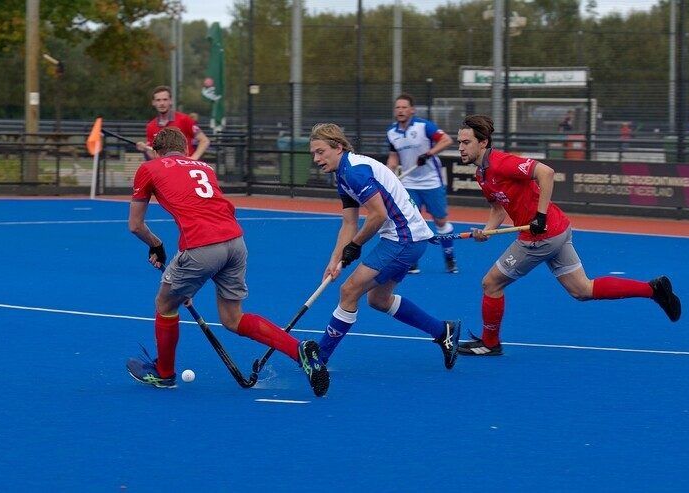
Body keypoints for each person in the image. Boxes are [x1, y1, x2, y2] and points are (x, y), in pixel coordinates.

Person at [455, 115, 682, 356]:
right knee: (582, 290)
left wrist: (540, 216)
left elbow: (546, 173)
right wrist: (487, 231)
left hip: (541, 236)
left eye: (466, 142)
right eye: (459, 142)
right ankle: (654, 289)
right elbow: (498, 208)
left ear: (483, 143)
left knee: (491, 283)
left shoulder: (502, 163)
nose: (460, 147)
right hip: (558, 229)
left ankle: (490, 343)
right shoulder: (482, 174)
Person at [126, 127, 329, 396]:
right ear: (186, 149)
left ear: (156, 151)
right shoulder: (204, 167)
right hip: (235, 242)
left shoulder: (150, 167)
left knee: (165, 304)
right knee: (233, 318)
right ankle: (298, 349)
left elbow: (136, 226)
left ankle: (164, 373)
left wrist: (156, 245)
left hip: (201, 247)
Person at [309, 123, 461, 368]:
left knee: (349, 291)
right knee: (378, 300)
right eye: (313, 154)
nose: (316, 159)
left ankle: (320, 358)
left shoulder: (355, 171)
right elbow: (349, 223)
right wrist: (334, 260)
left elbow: (377, 215)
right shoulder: (343, 174)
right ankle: (443, 331)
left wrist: (356, 245)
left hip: (404, 238)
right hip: (404, 238)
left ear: (337, 147)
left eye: (320, 151)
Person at [386, 93, 457, 274]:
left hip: (431, 182)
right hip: (409, 184)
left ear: (412, 110)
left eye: (404, 107)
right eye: (398, 107)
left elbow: (447, 140)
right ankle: (412, 262)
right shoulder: (392, 133)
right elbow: (394, 158)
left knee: (441, 222)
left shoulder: (424, 126)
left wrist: (429, 154)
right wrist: (388, 175)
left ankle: (449, 258)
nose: (400, 110)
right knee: (411, 222)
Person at [136, 86, 210, 161]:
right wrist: (145, 149)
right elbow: (154, 156)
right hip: (166, 169)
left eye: (165, 99)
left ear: (171, 101)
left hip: (185, 168)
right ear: (153, 103)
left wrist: (194, 158)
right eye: (158, 100)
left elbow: (204, 140)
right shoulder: (151, 126)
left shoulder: (184, 119)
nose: (162, 103)